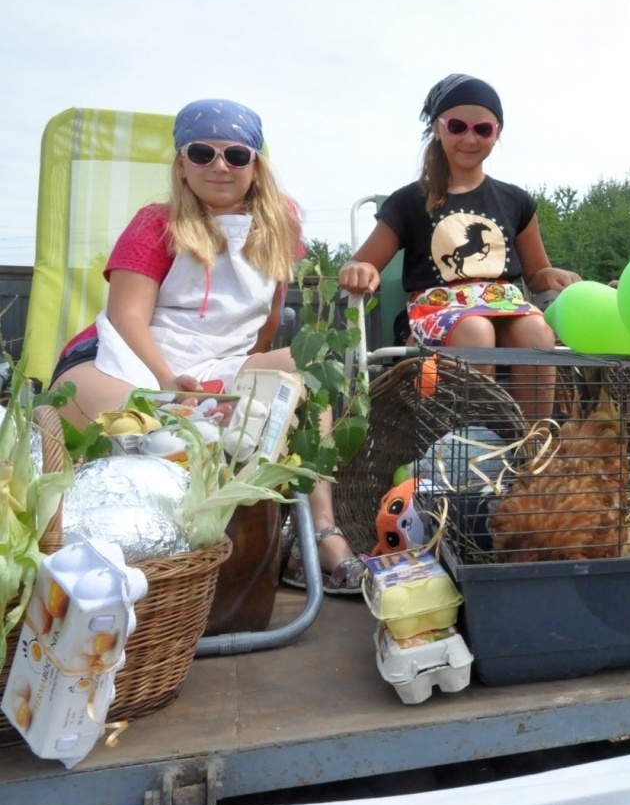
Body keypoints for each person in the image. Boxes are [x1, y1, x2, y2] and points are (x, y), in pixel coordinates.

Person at [50, 99, 363, 593]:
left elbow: (261, 326)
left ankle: (319, 533)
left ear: (255, 167)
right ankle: (150, 565)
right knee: (151, 426)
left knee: (310, 378)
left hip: (216, 361)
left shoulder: (278, 227)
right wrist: (168, 382)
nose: (220, 165)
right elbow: (125, 316)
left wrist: (245, 373)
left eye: (236, 155)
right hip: (122, 358)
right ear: (181, 163)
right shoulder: (158, 223)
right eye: (202, 152)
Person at [338, 74, 580, 415]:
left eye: (483, 129)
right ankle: (471, 446)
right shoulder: (409, 202)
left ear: (496, 133)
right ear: (438, 129)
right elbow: (359, 263)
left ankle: (532, 448)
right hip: (439, 311)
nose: (470, 138)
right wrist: (359, 269)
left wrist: (551, 275)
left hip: (505, 306)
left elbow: (536, 273)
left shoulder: (515, 201)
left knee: (536, 330)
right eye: (457, 126)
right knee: (476, 330)